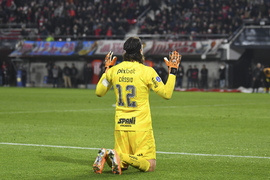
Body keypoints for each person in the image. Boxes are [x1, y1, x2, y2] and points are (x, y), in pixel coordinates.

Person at [93, 37, 182, 175]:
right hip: (140, 127)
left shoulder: (114, 71)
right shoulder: (147, 71)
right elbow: (166, 94)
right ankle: (117, 155)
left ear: (125, 52)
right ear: (140, 51)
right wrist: (173, 72)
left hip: (120, 126)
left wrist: (107, 69)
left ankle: (107, 154)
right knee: (150, 165)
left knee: (123, 165)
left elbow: (99, 92)